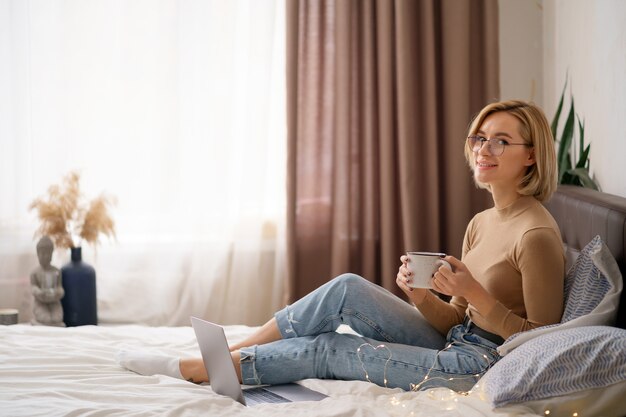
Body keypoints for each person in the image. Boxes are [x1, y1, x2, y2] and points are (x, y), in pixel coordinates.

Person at [117, 100, 565, 392]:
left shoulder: (537, 236)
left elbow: (543, 346)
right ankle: (226, 353)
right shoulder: (482, 222)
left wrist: (477, 295)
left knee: (329, 348)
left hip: (481, 366)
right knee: (347, 287)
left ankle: (202, 369)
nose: (484, 149)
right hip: (457, 342)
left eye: (501, 141)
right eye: (480, 138)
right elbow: (454, 322)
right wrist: (421, 296)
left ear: (530, 155)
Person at [31, 236, 65, 327]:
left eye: (47, 253)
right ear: (37, 254)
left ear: (51, 254)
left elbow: (59, 286)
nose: (45, 256)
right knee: (45, 318)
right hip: (40, 302)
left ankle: (53, 323)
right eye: (42, 254)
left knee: (57, 318)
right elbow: (33, 287)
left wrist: (59, 292)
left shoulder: (56, 271)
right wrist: (38, 292)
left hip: (54, 301)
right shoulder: (35, 272)